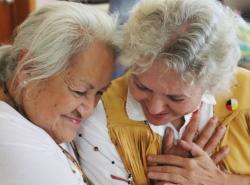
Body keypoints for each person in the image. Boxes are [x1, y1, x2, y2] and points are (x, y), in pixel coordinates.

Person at [75, 0, 250, 184]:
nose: (155, 108)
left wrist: (220, 180)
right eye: (142, 86)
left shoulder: (246, 95)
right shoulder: (102, 117)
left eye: (176, 97)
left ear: (211, 83)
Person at [0, 2, 116, 185]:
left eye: (100, 92)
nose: (89, 109)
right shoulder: (11, 141)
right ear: (29, 69)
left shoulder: (37, 112)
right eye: (79, 91)